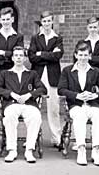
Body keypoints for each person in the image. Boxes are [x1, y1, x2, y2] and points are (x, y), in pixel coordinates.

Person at [58, 42, 99, 166]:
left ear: (90, 56)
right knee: (80, 116)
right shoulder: (67, 70)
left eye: (85, 55)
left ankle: (96, 150)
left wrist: (95, 95)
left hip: (92, 104)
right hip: (75, 105)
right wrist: (76, 95)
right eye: (80, 55)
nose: (83, 58)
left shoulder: (95, 71)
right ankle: (81, 149)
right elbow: (61, 89)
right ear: (76, 55)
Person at [0, 46, 47, 163]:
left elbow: (43, 89)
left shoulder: (32, 73)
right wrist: (10, 93)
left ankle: (29, 150)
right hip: (12, 103)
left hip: (29, 104)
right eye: (16, 55)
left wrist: (30, 95)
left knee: (35, 116)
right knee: (10, 116)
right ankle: (12, 150)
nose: (18, 58)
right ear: (12, 58)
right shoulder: (5, 73)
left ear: (25, 58)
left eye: (21, 55)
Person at [0, 7, 24, 147]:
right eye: (3, 19)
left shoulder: (18, 37)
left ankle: (10, 136)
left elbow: (18, 54)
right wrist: (8, 55)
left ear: (12, 19)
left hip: (12, 75)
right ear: (0, 20)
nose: (6, 22)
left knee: (11, 105)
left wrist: (2, 53)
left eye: (8, 19)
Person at [28, 11, 64, 147]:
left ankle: (56, 138)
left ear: (52, 22)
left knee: (53, 109)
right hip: (37, 76)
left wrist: (41, 54)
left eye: (49, 21)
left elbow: (57, 57)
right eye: (44, 21)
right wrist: (49, 55)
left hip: (53, 77)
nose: (47, 24)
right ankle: (32, 138)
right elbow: (32, 57)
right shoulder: (35, 38)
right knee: (33, 108)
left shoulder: (58, 38)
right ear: (41, 23)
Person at [76, 16, 99, 81]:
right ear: (87, 28)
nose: (92, 29)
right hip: (85, 76)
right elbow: (77, 59)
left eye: (95, 27)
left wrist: (90, 58)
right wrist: (98, 58)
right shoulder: (81, 43)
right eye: (90, 27)